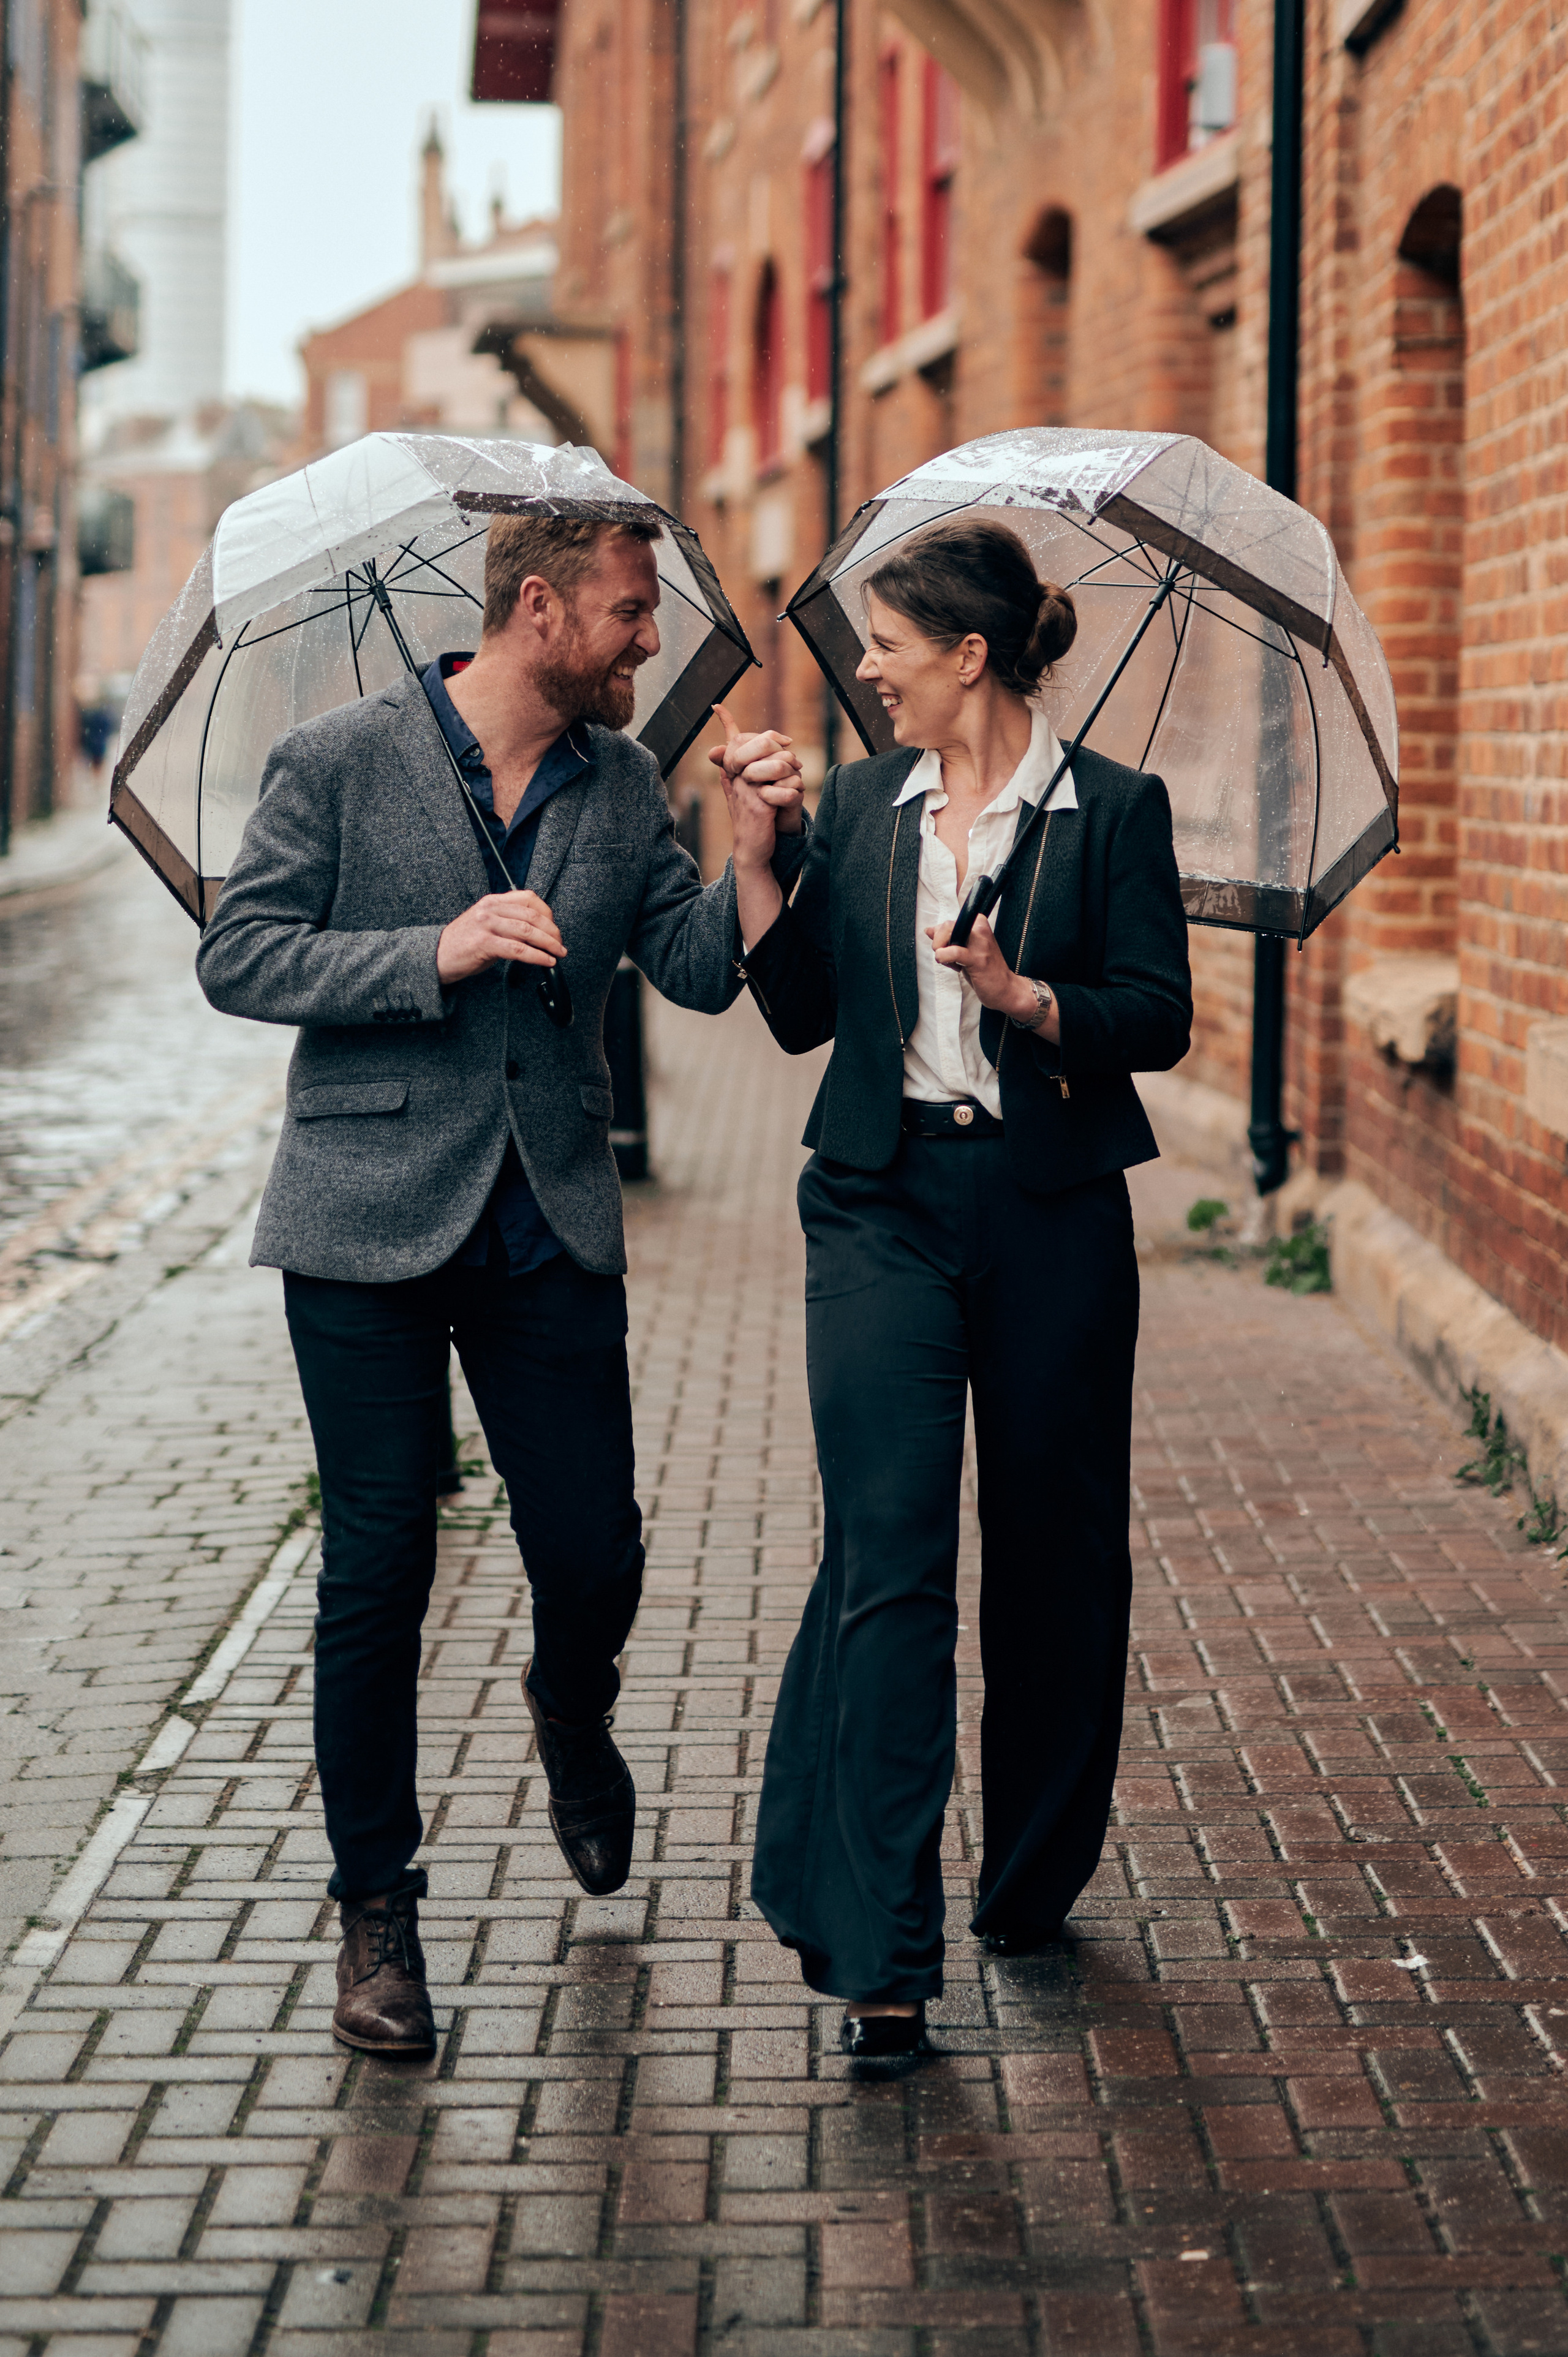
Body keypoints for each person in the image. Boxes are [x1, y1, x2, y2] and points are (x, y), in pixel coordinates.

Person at [197, 511, 804, 2056]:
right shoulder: (339, 757)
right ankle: (377, 1917)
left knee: (593, 1549)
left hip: (546, 1221)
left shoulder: (615, 784)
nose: (646, 641)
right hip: (363, 1215)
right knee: (377, 1567)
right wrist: (435, 950)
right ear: (537, 609)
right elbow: (243, 954)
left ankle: (568, 1702)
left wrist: (749, 855)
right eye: (623, 613)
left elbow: (685, 966)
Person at [712, 517, 1193, 2058]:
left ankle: (1031, 1874)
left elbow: (1159, 1017)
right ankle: (883, 1954)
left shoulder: (1110, 810)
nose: (863, 670)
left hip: (1049, 1211)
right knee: (892, 1549)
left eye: (888, 647)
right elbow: (791, 1014)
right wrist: (755, 861)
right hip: (876, 1203)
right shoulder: (859, 804)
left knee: (1053, 1553)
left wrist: (1023, 998)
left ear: (967, 654)